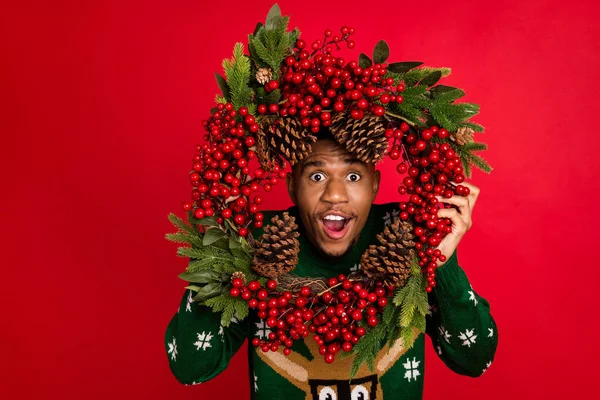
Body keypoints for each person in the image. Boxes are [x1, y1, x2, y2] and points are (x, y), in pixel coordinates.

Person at [165, 131, 498, 399]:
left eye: (353, 175)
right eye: (317, 175)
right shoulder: (256, 245)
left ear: (375, 186)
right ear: (292, 186)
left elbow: (474, 359)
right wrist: (216, 248)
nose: (335, 194)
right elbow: (191, 366)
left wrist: (442, 261)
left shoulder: (410, 237)